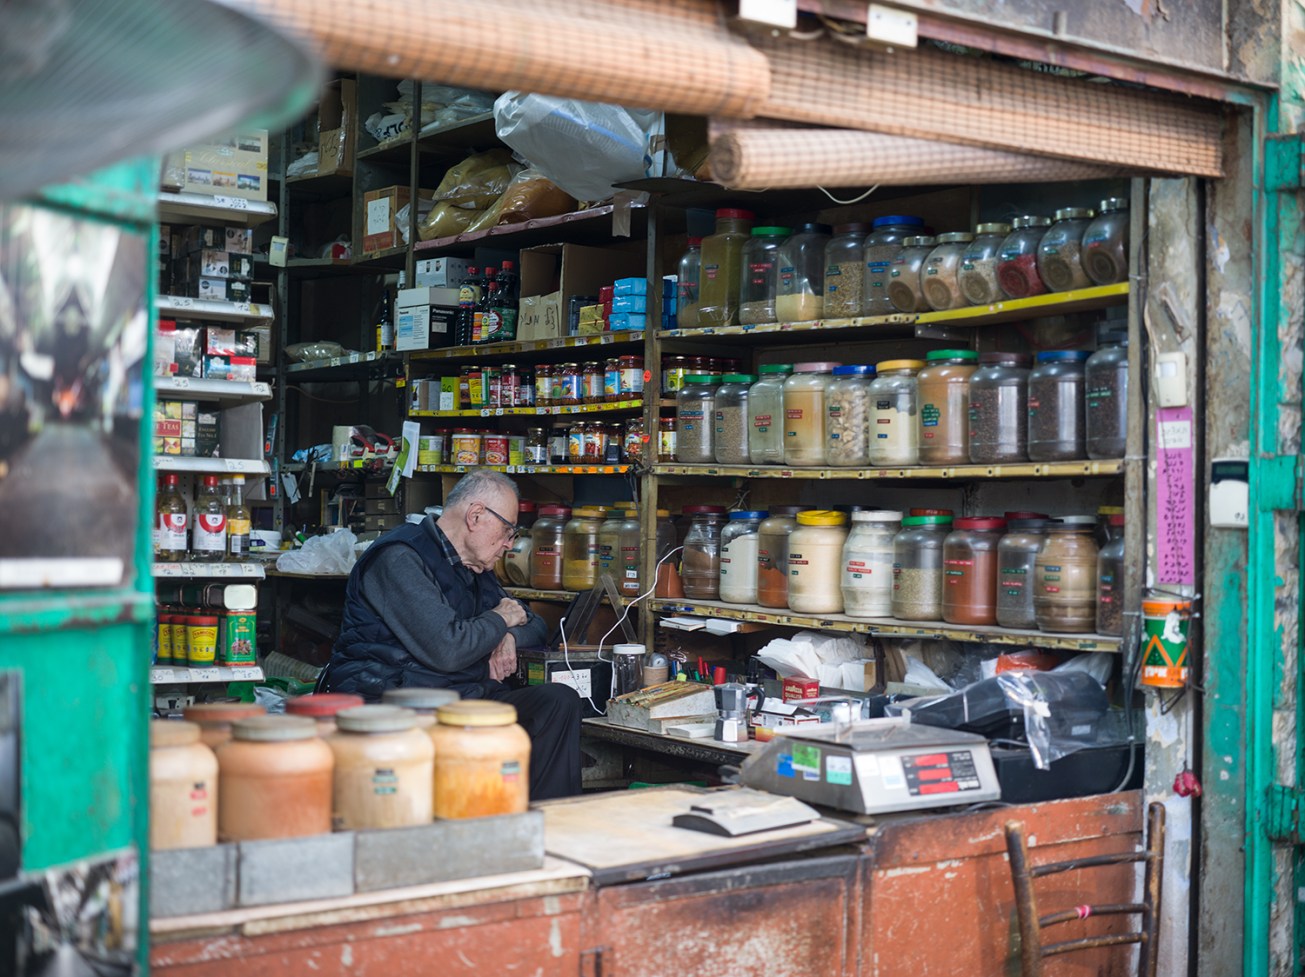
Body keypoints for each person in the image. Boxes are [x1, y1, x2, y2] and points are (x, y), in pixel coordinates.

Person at [322, 469, 582, 799]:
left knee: (556, 702)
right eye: (507, 530)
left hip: (461, 697)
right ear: (475, 516)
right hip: (396, 702)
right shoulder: (400, 558)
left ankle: (547, 824)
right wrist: (499, 621)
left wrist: (508, 637)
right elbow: (447, 649)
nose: (509, 543)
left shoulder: (474, 567)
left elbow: (534, 624)